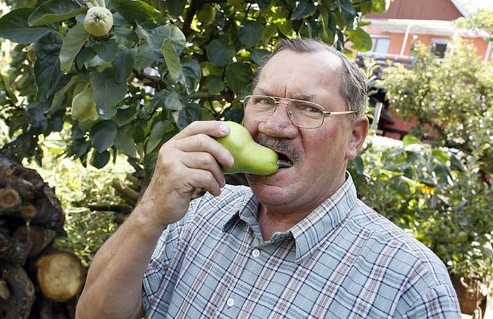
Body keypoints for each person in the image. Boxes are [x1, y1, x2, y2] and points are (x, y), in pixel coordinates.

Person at [75, 38, 461, 318]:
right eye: (264, 101)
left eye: (308, 108)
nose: (275, 126)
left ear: (355, 137)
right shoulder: (196, 215)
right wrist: (150, 214)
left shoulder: (410, 282)